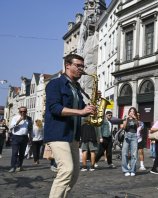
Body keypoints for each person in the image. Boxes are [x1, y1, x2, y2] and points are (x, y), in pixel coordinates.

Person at [44, 54, 96, 198]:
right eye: (78, 65)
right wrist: (81, 111)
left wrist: (89, 109)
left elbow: (80, 110)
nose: (81, 69)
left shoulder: (76, 87)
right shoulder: (55, 84)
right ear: (67, 65)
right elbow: (55, 108)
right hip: (58, 133)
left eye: (82, 66)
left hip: (73, 135)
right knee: (66, 170)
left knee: (74, 174)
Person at [8, 106, 33, 172]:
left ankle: (19, 166)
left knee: (22, 153)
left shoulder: (29, 119)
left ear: (26, 112)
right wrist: (19, 120)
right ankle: (13, 167)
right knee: (15, 153)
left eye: (24, 111)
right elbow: (11, 127)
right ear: (19, 111)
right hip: (16, 137)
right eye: (21, 111)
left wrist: (30, 138)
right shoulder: (15, 118)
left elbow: (30, 129)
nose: (22, 113)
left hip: (24, 137)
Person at [121, 107, 139, 176]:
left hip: (134, 136)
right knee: (124, 153)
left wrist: (135, 118)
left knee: (134, 154)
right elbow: (124, 127)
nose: (132, 112)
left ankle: (132, 170)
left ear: (135, 113)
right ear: (129, 112)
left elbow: (138, 125)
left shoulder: (136, 119)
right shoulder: (126, 119)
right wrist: (125, 120)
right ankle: (125, 170)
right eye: (130, 111)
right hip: (127, 136)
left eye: (133, 111)